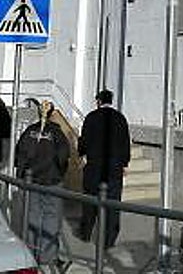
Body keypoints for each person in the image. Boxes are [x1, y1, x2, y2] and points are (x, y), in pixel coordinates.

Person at [15, 99, 71, 271]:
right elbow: (64, 156)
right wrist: (59, 172)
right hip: (52, 181)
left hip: (31, 181)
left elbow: (19, 154)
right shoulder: (57, 134)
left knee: (31, 217)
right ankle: (48, 256)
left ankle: (31, 254)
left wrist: (24, 171)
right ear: (52, 114)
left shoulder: (29, 131)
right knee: (52, 218)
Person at [77, 88, 131, 247]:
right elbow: (125, 142)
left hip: (94, 166)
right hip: (114, 167)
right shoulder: (120, 118)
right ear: (111, 101)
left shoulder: (91, 117)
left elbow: (83, 141)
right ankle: (109, 240)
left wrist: (82, 153)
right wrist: (124, 163)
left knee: (90, 201)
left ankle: (86, 233)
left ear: (98, 101)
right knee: (113, 204)